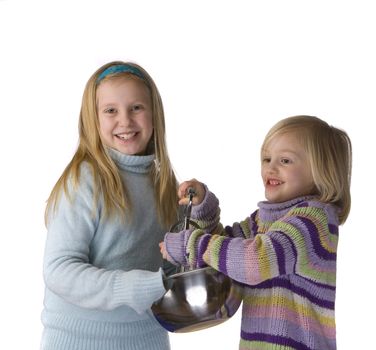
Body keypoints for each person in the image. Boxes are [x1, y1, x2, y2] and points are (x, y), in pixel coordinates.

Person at [160, 115, 352, 350]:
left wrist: (190, 245)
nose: (271, 167)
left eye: (285, 160)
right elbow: (226, 254)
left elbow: (254, 261)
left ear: (321, 172)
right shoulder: (262, 220)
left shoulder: (314, 220)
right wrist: (203, 210)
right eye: (267, 158)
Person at [41, 61, 179, 350]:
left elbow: (174, 259)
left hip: (148, 337)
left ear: (155, 113)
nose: (125, 121)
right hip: (80, 339)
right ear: (93, 119)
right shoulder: (84, 180)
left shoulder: (162, 181)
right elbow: (59, 269)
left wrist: (202, 210)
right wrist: (135, 287)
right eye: (111, 110)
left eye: (137, 108)